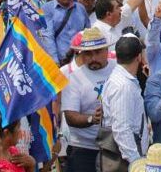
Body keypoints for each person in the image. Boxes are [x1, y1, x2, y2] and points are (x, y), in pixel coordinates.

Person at [61, 28, 114, 172]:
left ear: (106, 51)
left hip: (114, 147)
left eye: (97, 52)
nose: (93, 58)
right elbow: (70, 116)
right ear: (81, 54)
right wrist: (92, 119)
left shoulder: (117, 70)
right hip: (84, 148)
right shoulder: (74, 78)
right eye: (88, 54)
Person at [101, 36, 150, 170]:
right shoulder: (123, 86)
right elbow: (121, 128)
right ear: (139, 57)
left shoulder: (122, 79)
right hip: (127, 160)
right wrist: (136, 162)